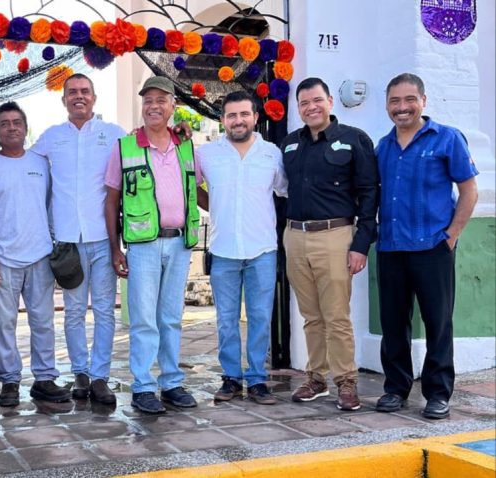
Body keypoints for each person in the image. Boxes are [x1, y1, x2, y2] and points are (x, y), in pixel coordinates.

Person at [374, 73, 478, 419]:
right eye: (394, 101)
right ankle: (395, 388)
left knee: (438, 322)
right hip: (391, 248)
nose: (402, 107)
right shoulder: (383, 147)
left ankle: (437, 393)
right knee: (393, 324)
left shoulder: (447, 138)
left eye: (409, 99)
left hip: (433, 247)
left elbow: (469, 190)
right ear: (387, 105)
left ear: (423, 101)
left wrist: (452, 235)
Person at [280, 77, 379, 412]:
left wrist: (361, 244)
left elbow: (369, 194)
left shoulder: (353, 139)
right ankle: (316, 378)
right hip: (295, 236)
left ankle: (346, 381)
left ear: (330, 102)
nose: (311, 107)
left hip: (335, 235)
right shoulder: (290, 144)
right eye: (304, 103)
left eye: (317, 100)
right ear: (298, 108)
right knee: (311, 315)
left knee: (336, 315)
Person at [104, 76, 202, 414]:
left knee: (171, 318)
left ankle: (171, 383)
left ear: (174, 106)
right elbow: (111, 200)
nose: (154, 106)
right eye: (148, 100)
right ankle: (143, 387)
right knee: (144, 320)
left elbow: (198, 191)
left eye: (161, 100)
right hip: (143, 246)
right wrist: (115, 249)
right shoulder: (125, 147)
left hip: (180, 245)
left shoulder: (186, 146)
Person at [30, 74, 126, 404]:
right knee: (73, 312)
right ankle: (80, 373)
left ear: (94, 98)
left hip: (103, 238)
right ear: (64, 100)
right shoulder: (51, 137)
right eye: (72, 92)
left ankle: (100, 377)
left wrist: (179, 132)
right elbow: (23, 161)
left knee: (104, 310)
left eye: (85, 91)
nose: (79, 96)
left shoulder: (113, 134)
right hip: (67, 242)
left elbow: (142, 150)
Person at [0, 101, 71, 407]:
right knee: (5, 323)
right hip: (3, 259)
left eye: (17, 122)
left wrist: (55, 244)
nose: (12, 128)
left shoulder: (41, 163)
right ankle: (9, 381)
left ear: (26, 128)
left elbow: (51, 205)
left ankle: (44, 379)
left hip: (41, 256)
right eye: (4, 124)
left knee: (43, 322)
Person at [197, 91, 287, 405]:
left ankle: (258, 379)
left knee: (260, 317)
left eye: (244, 114)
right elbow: (191, 186)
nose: (238, 120)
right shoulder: (207, 154)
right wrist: (216, 208)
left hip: (262, 249)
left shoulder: (272, 153)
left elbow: (284, 190)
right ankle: (231, 378)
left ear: (255, 117)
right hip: (223, 250)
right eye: (232, 115)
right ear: (223, 120)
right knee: (226, 319)